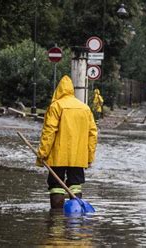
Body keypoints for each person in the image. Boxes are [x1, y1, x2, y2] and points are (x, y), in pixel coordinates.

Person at [37, 75, 98, 209]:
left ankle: (56, 219)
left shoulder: (56, 106)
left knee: (56, 187)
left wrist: (42, 153)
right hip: (78, 156)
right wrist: (89, 157)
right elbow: (92, 134)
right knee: (75, 185)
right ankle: (75, 214)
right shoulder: (85, 108)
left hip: (58, 156)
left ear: (58, 90)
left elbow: (49, 132)